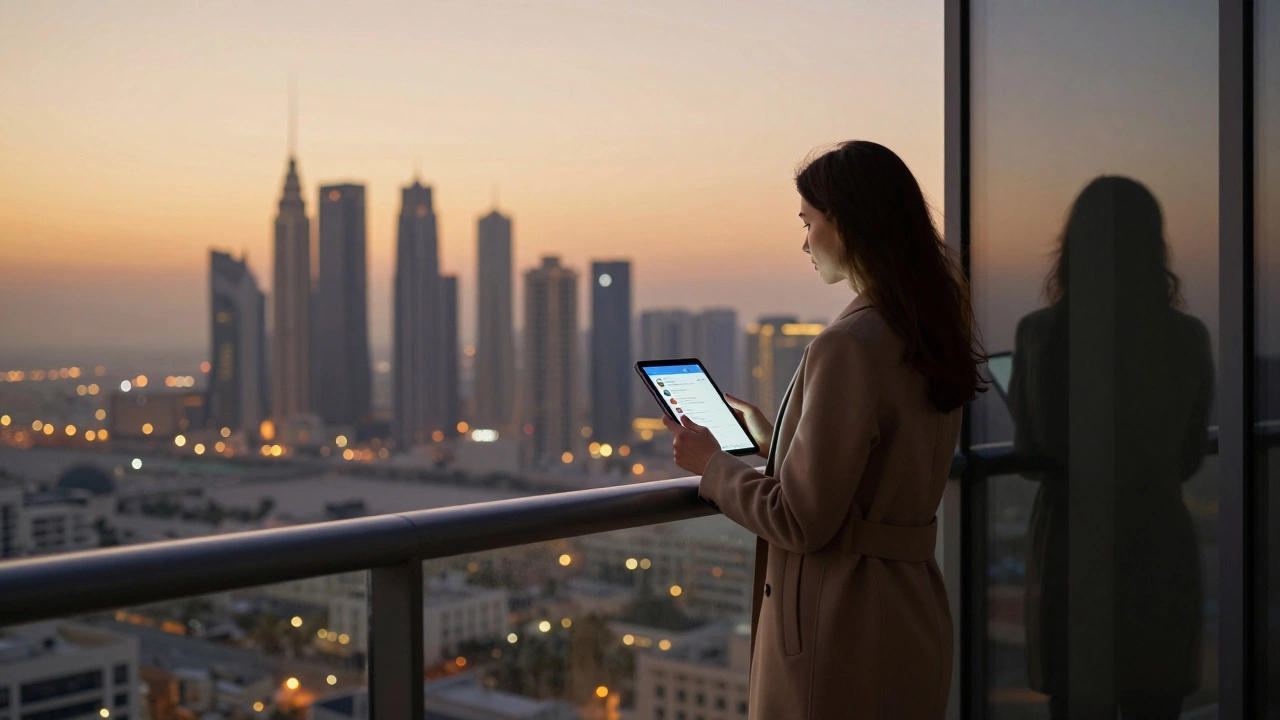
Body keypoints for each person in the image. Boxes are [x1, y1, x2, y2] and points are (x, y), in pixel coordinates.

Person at [663, 140, 986, 719]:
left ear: (850, 225)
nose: (804, 241)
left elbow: (800, 520)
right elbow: (881, 465)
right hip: (910, 612)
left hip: (840, 628)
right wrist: (776, 438)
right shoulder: (925, 331)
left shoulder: (847, 346)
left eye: (809, 222)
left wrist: (713, 466)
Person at [1008, 176, 1212, 719]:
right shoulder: (1188, 337)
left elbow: (1032, 451)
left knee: (1076, 701)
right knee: (1156, 700)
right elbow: (1190, 457)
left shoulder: (1041, 334)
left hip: (1073, 546)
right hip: (1160, 545)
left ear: (1072, 248)